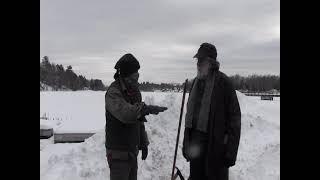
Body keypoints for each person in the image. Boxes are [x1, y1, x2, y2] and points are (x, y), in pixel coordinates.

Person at [182, 43, 241, 180]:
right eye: (198, 60)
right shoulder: (196, 83)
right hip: (196, 147)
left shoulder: (224, 84)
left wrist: (230, 152)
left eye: (201, 60)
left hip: (216, 148)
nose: (198, 63)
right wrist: (187, 143)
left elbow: (235, 119)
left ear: (211, 62)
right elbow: (190, 117)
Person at [105, 53, 167, 180]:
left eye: (137, 75)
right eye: (133, 77)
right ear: (124, 76)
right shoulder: (113, 93)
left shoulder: (135, 92)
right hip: (118, 154)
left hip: (132, 152)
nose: (136, 80)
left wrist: (143, 142)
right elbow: (126, 113)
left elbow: (139, 121)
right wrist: (146, 108)